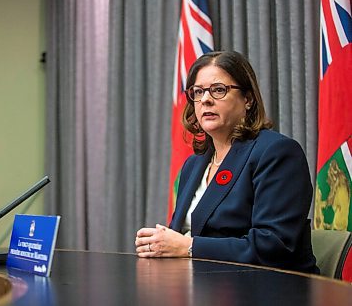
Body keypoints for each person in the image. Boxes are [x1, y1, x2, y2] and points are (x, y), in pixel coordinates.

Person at [135, 51, 319, 274]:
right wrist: (157, 245)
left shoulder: (276, 152)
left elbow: (273, 245)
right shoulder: (194, 165)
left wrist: (189, 246)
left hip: (266, 290)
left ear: (248, 100)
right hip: (201, 285)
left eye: (219, 90)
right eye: (198, 92)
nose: (205, 99)